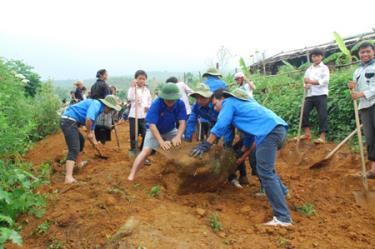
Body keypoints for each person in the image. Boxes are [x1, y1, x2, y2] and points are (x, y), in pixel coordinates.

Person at [191, 88, 292, 226]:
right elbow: (249, 133)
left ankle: (283, 217)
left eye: (215, 104)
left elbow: (221, 125)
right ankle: (283, 192)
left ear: (222, 99)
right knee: (267, 169)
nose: (214, 109)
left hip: (270, 132)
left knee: (265, 171)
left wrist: (206, 145)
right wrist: (244, 148)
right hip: (277, 130)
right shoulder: (242, 105)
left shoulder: (229, 103)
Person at [128, 83, 187, 181]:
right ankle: (132, 175)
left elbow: (182, 122)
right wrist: (161, 141)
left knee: (182, 142)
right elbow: (152, 125)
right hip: (154, 130)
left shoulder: (180, 103)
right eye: (168, 99)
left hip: (170, 130)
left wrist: (178, 136)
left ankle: (179, 172)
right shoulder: (157, 103)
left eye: (173, 100)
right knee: (146, 151)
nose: (170, 102)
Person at [60, 95, 121, 184]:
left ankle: (79, 164)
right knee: (74, 148)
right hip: (68, 120)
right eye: (112, 109)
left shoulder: (98, 111)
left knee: (81, 140)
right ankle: (68, 177)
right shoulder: (96, 104)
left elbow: (91, 132)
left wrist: (95, 144)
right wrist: (88, 132)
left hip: (72, 122)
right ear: (107, 106)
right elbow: (88, 119)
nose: (111, 111)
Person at [348, 42, 375, 179]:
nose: (365, 54)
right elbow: (356, 91)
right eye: (362, 52)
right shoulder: (357, 71)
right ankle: (373, 170)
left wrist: (362, 94)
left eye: (367, 51)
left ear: (373, 52)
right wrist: (352, 88)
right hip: (364, 107)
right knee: (370, 139)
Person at [300, 48, 330, 144]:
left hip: (321, 94)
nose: (316, 58)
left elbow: (325, 81)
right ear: (311, 58)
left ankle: (322, 137)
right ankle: (307, 134)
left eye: (318, 56)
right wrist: (306, 85)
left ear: (321, 57)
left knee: (322, 114)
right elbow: (305, 82)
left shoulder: (324, 68)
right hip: (310, 95)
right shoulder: (309, 69)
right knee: (303, 112)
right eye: (313, 56)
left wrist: (311, 82)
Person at [127, 70, 152, 158]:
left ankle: (141, 150)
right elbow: (129, 98)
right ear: (136, 79)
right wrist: (133, 87)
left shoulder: (147, 91)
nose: (141, 80)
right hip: (134, 115)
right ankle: (134, 150)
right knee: (133, 134)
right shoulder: (132, 89)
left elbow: (149, 102)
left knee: (145, 134)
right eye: (140, 78)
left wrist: (148, 106)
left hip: (144, 116)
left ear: (145, 80)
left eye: (143, 79)